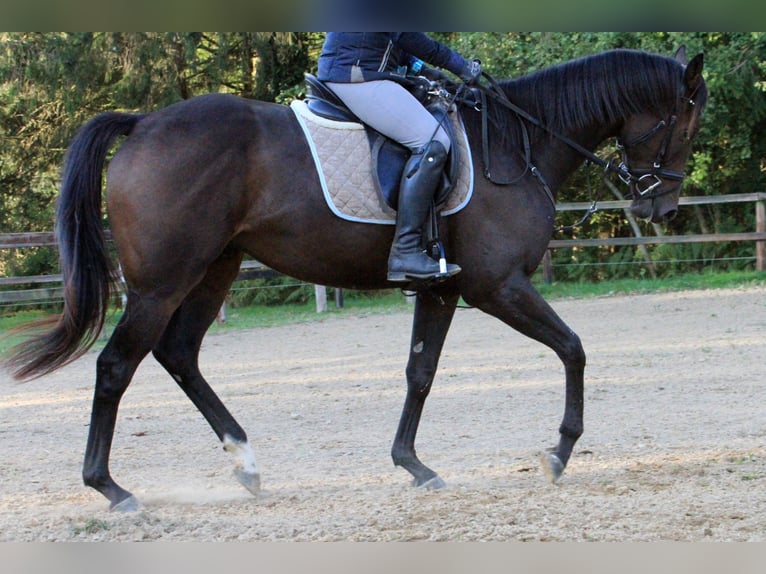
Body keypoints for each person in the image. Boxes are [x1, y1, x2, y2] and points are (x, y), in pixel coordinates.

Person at [317, 33, 482, 283]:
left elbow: (393, 43)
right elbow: (404, 34)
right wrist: (461, 65)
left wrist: (425, 70)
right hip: (358, 76)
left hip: (359, 70)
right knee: (433, 142)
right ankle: (406, 251)